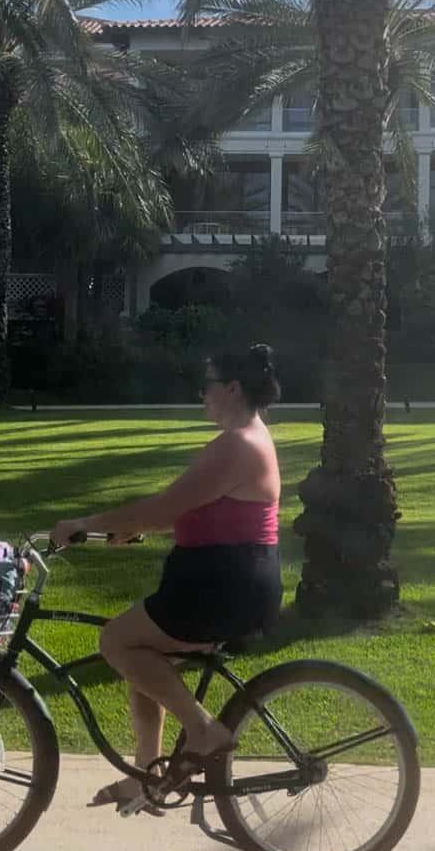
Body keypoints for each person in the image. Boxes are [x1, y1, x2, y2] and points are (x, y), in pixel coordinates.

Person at [50, 343, 283, 813]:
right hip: (225, 580)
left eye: (207, 386)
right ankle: (145, 776)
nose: (202, 396)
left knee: (117, 642)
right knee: (146, 664)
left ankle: (201, 729)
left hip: (222, 587)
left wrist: (85, 523)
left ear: (232, 388)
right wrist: (133, 526)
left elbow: (166, 505)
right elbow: (185, 508)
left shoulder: (237, 446)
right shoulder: (247, 438)